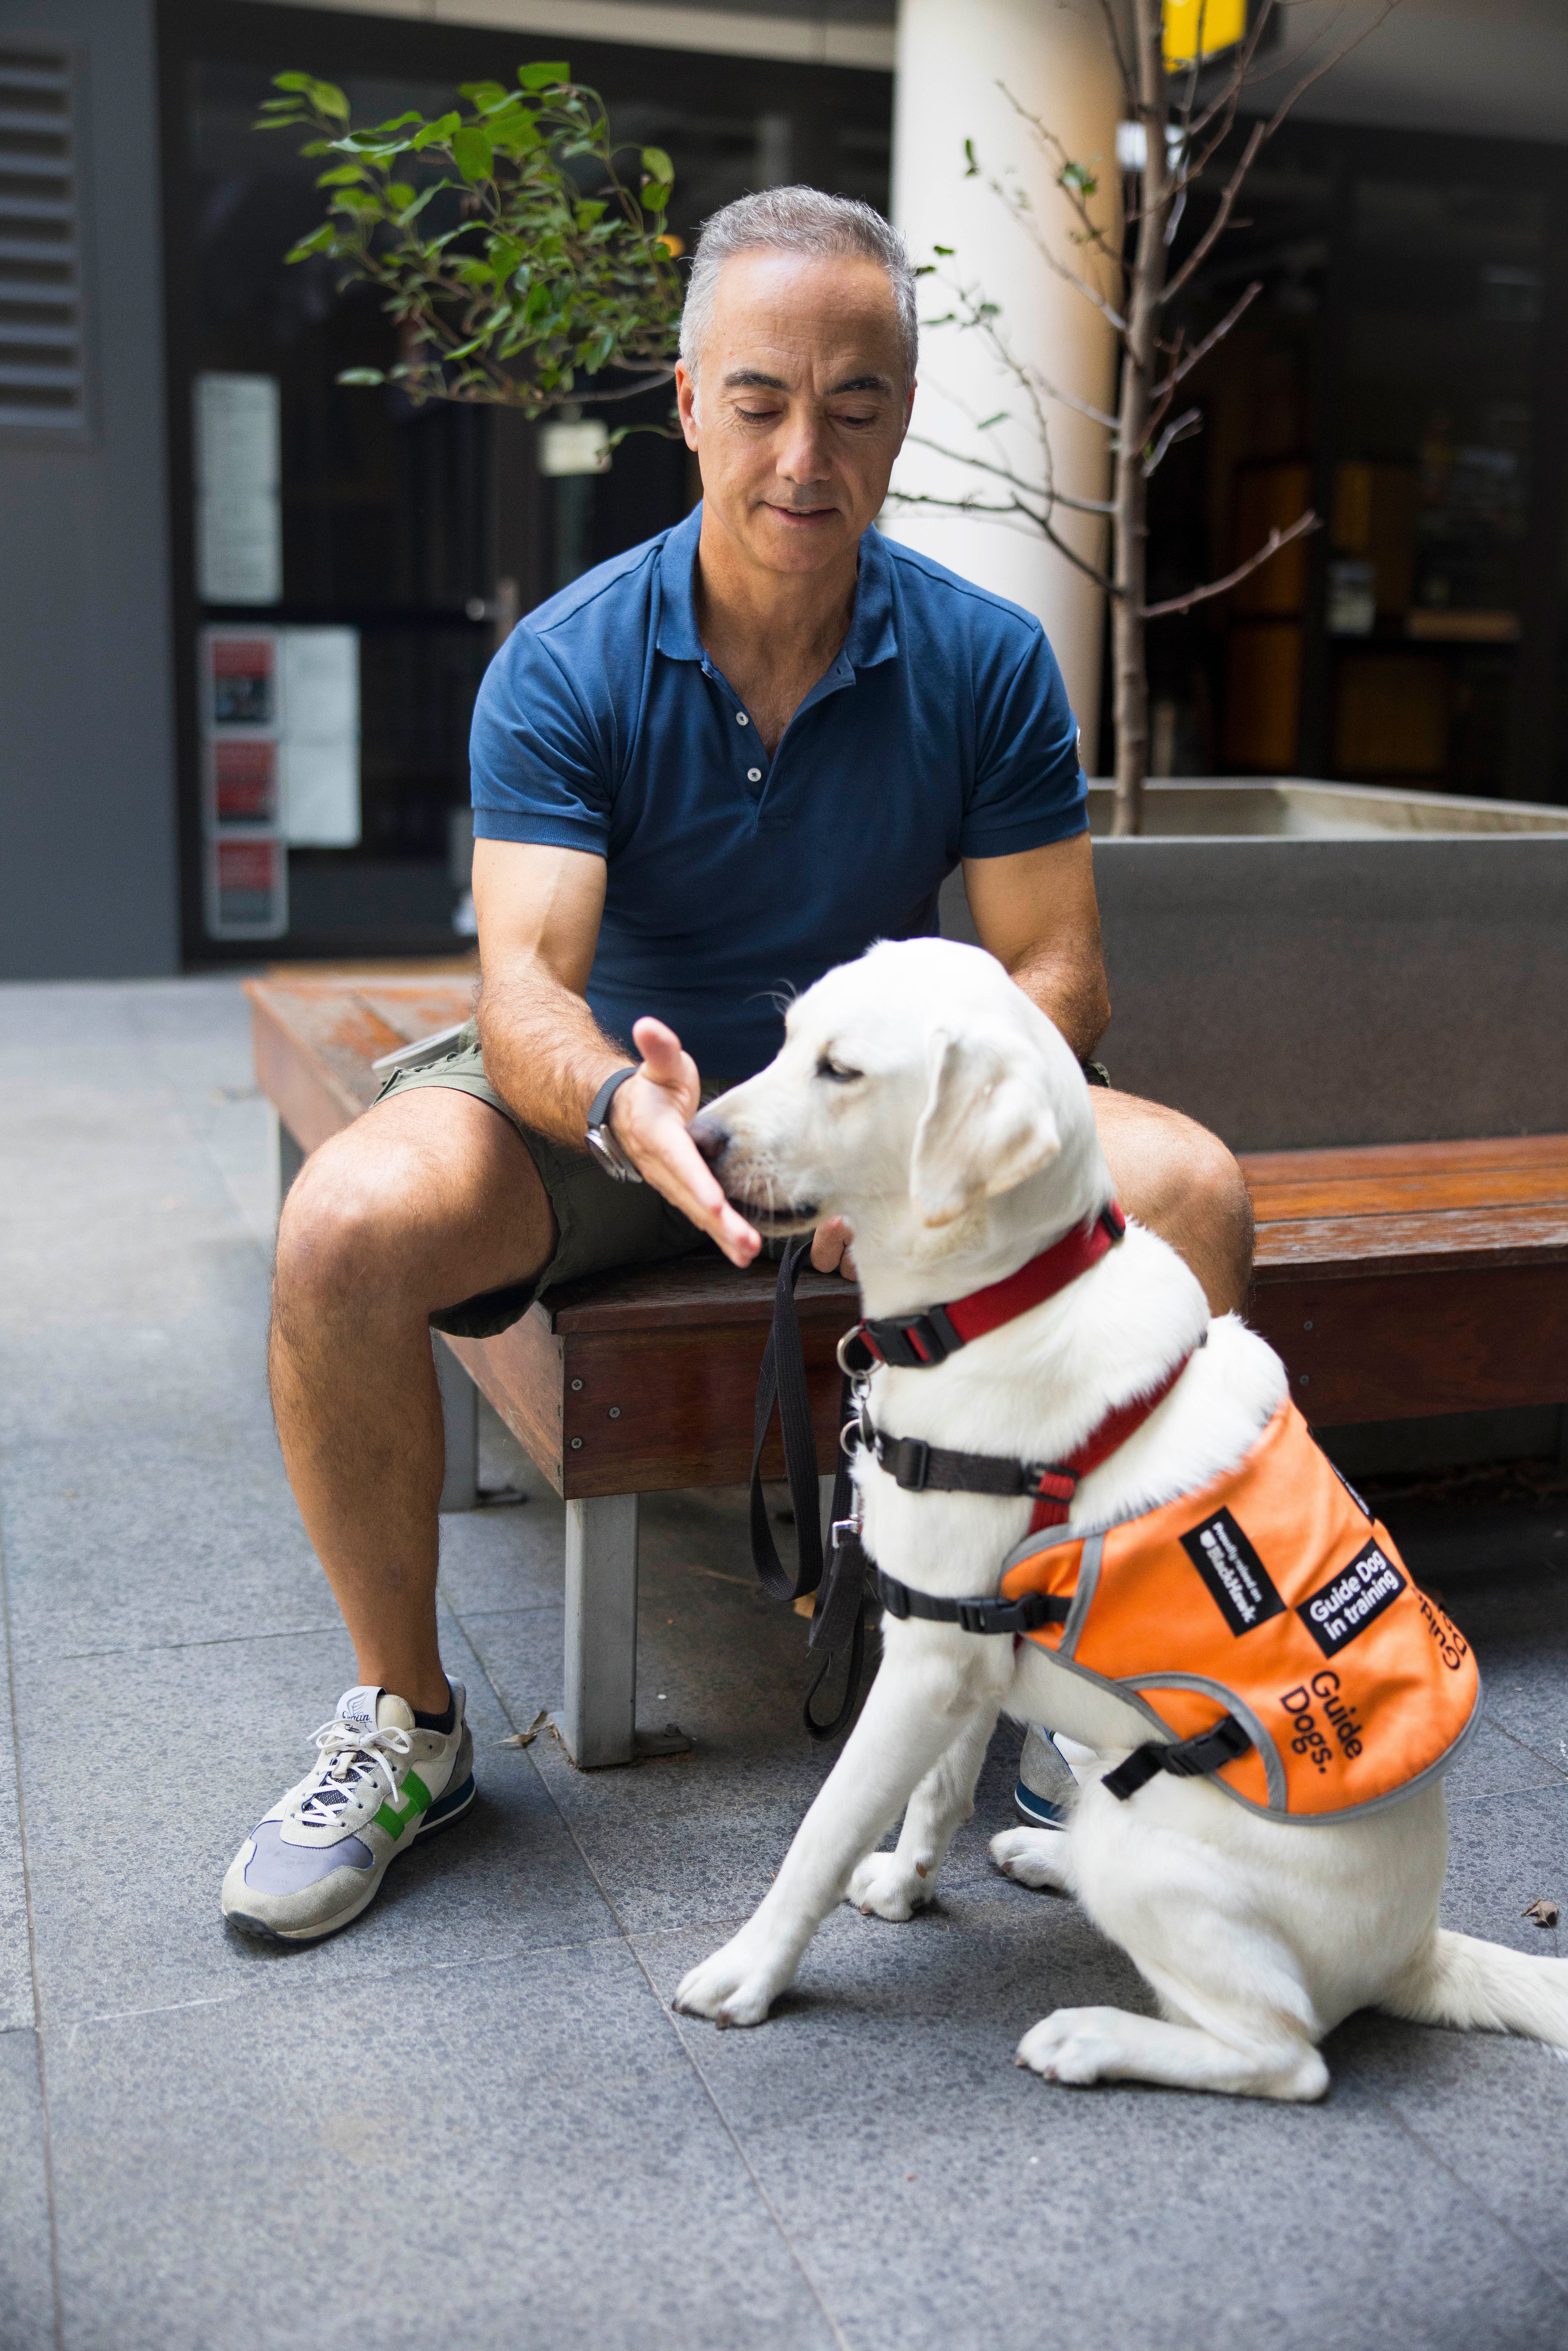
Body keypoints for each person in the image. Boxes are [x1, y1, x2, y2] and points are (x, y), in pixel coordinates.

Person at [221, 188, 1253, 1943]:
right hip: (605, 1110)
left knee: (1192, 1194)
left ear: (899, 420)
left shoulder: (984, 661)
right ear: (690, 402)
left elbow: (1057, 974)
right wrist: (617, 1104)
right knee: (344, 1227)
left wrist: (915, 1175)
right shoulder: (567, 661)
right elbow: (525, 988)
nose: (803, 454)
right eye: (762, 400)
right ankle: (409, 1725)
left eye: (853, 405)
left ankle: (1089, 1695)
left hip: (865, 1124)